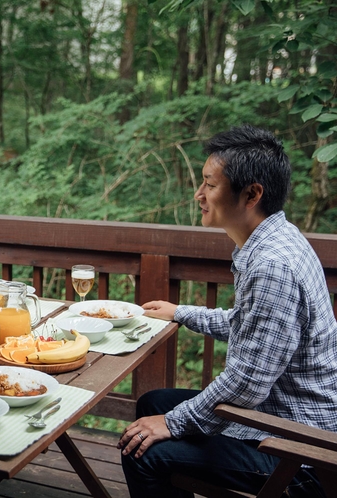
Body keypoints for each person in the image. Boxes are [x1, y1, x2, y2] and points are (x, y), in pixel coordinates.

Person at [119, 125, 337, 497]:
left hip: (299, 449)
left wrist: (173, 423)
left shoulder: (272, 267)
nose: (198, 194)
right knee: (150, 404)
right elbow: (248, 326)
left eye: (209, 184)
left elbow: (247, 384)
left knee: (142, 451)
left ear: (251, 194)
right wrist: (180, 312)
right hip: (277, 412)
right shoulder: (278, 239)